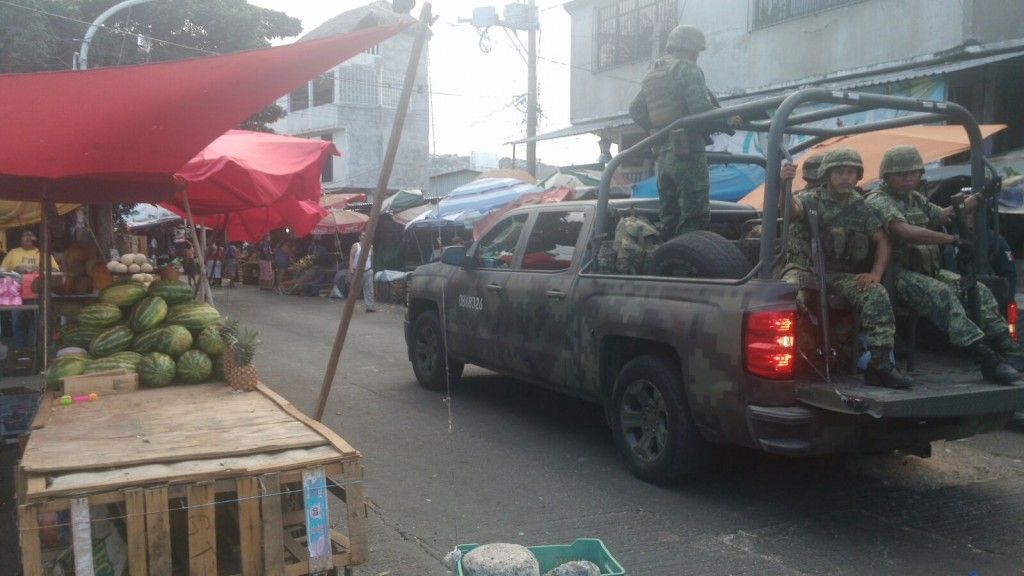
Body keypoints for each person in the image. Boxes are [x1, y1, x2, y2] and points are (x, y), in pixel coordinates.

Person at [865, 145, 1019, 383]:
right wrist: (951, 239)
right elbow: (904, 232)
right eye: (901, 174)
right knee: (942, 295)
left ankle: (1009, 348)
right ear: (887, 176)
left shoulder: (914, 198)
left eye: (913, 173)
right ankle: (984, 356)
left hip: (927, 271)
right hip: (895, 274)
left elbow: (943, 214)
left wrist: (980, 197)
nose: (908, 179)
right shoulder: (878, 200)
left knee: (977, 289)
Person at [780, 148, 911, 389]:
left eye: (851, 172)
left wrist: (875, 274)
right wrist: (784, 185)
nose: (845, 177)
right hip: (805, 270)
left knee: (876, 294)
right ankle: (794, 356)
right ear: (828, 175)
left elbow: (883, 240)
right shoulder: (811, 199)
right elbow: (790, 211)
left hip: (840, 275)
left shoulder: (861, 206)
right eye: (839, 172)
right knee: (788, 297)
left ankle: (880, 365)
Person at [629, 24, 738, 241]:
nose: (697, 55)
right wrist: (728, 119)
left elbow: (636, 109)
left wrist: (657, 130)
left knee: (669, 217)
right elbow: (700, 110)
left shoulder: (654, 73)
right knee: (694, 218)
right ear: (690, 48)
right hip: (687, 153)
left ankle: (667, 263)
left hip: (663, 155)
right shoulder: (687, 69)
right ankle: (687, 270)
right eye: (697, 50)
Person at [1, 230, 60, 350]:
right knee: (18, 325)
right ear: (20, 239)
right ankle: (20, 351)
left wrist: (40, 268)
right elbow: (1, 271)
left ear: (36, 239)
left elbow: (56, 271)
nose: (28, 237)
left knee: (37, 325)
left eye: (31, 235)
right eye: (25, 235)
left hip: (38, 296)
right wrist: (16, 269)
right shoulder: (13, 253)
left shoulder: (42, 253)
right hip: (16, 297)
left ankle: (33, 353)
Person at [350, 233, 375, 312]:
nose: (364, 237)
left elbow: (371, 258)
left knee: (369, 289)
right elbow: (351, 257)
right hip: (357, 270)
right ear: (359, 237)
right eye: (363, 236)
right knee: (355, 290)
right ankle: (350, 306)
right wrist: (351, 268)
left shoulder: (370, 246)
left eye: (365, 235)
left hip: (367, 270)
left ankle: (369, 307)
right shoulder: (355, 245)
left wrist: (371, 268)